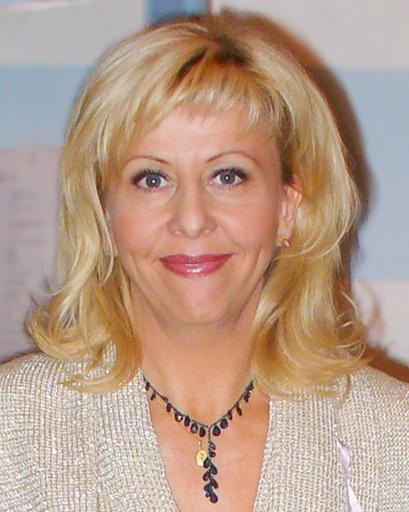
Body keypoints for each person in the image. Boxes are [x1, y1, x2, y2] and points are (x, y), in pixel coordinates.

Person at [0, 10, 407, 512]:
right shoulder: (14, 430)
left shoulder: (391, 438)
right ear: (104, 213)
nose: (191, 220)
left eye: (228, 176)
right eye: (152, 179)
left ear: (286, 208)